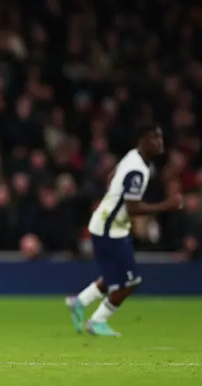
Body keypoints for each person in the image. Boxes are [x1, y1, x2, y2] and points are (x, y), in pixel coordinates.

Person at [66, 124, 183, 336]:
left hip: (111, 226)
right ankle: (97, 321)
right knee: (130, 281)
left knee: (114, 275)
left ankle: (79, 302)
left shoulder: (134, 158)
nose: (159, 141)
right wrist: (167, 205)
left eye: (160, 137)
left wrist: (111, 198)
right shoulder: (137, 170)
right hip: (109, 229)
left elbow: (112, 177)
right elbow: (133, 208)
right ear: (142, 140)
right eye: (153, 137)